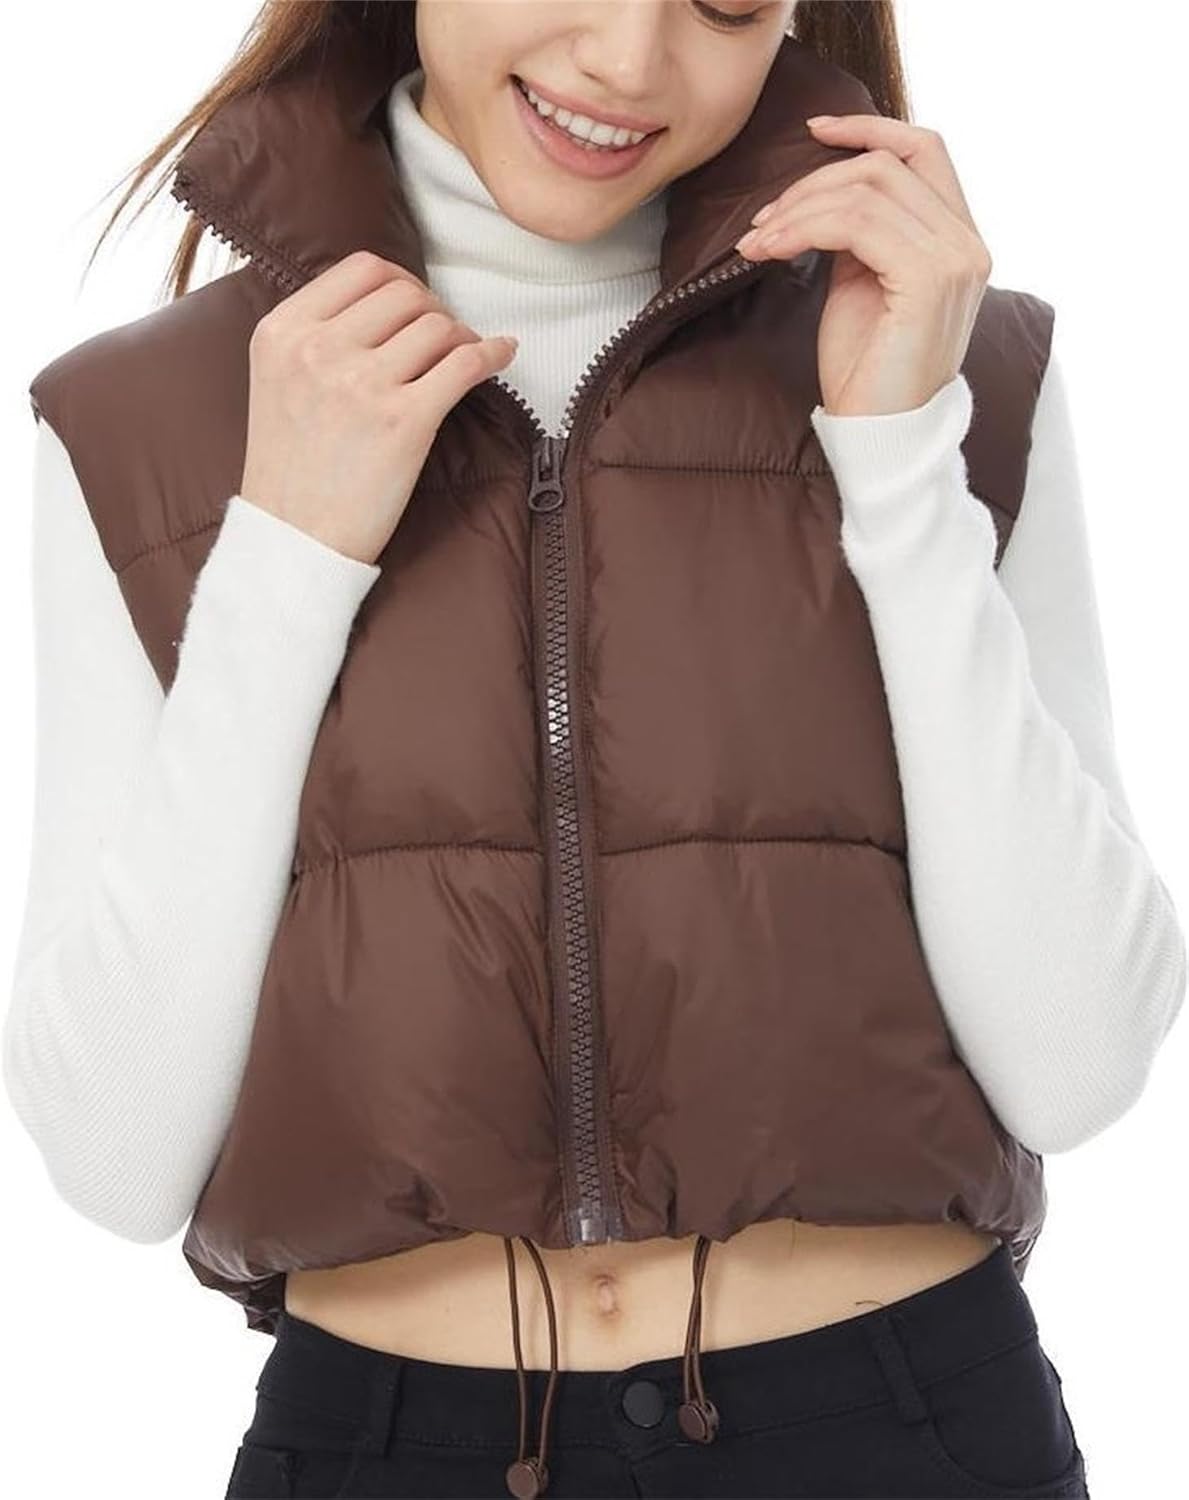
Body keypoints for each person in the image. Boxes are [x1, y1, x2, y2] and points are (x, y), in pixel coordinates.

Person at [6, 2, 1184, 1497]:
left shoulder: (951, 358)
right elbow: (116, 1157)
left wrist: (899, 465)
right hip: (389, 1449)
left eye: (724, 0)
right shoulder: (142, 414)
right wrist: (286, 557)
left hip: (897, 1428)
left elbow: (1078, 1066)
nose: (628, 61)